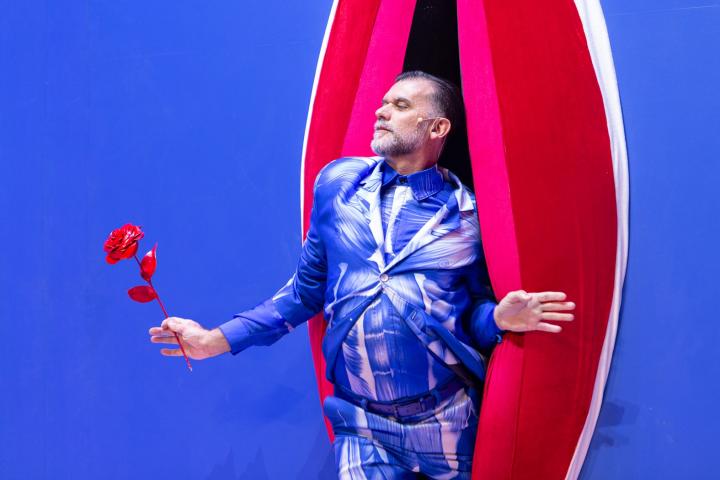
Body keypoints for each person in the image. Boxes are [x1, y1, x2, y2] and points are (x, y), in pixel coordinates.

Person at [148, 71, 575, 479]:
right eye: (384, 102)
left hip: (448, 421)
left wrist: (499, 318)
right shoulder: (338, 185)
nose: (381, 111)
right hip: (362, 424)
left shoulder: (468, 217)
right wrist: (214, 340)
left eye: (401, 105)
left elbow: (468, 316)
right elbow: (303, 294)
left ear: (438, 127)